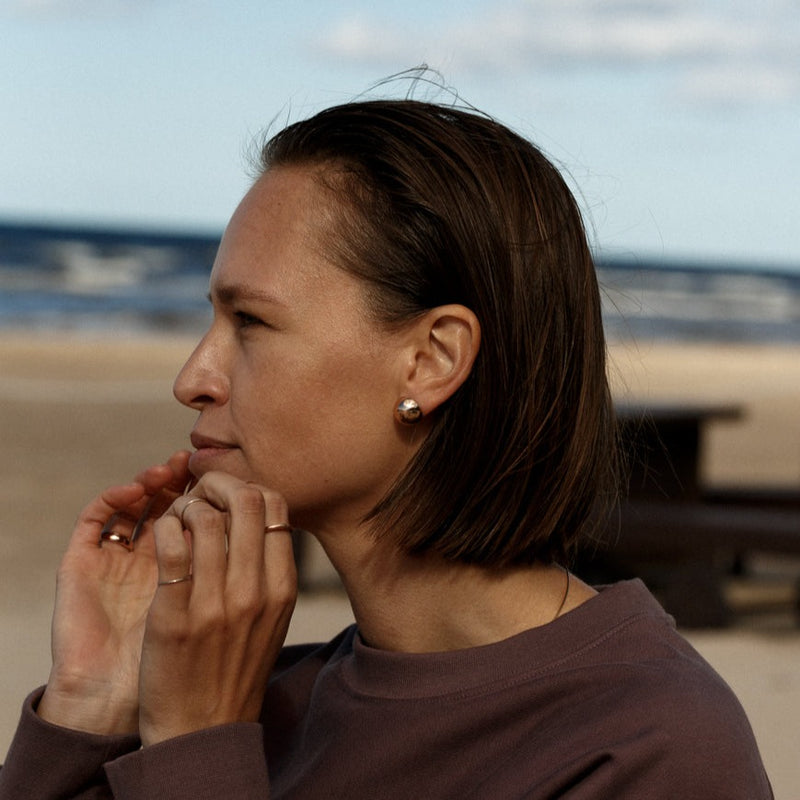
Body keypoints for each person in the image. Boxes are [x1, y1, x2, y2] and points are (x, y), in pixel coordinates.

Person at [0, 91, 772, 799]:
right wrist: (90, 703)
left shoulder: (653, 748)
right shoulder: (258, 696)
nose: (193, 377)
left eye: (252, 324)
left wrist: (198, 748)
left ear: (431, 360)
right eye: (212, 320)